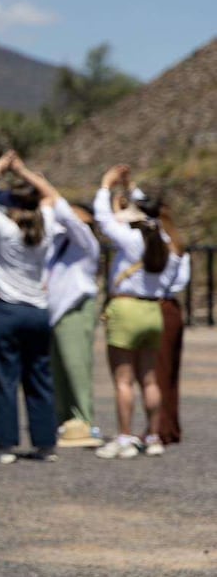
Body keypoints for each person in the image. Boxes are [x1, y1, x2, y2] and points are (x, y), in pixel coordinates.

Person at [0, 151, 58, 464]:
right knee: (40, 377)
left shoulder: (6, 230)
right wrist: (23, 171)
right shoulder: (46, 228)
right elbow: (51, 196)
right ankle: (45, 444)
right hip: (39, 310)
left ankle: (4, 445)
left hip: (7, 310)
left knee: (3, 378)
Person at [93, 165, 173, 459]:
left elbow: (103, 218)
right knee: (149, 379)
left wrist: (106, 185)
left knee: (123, 380)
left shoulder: (130, 240)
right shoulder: (163, 239)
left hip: (126, 308)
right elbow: (148, 209)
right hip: (153, 309)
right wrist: (132, 187)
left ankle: (125, 437)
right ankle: (153, 436)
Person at [44, 192, 103, 448]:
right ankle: (65, 420)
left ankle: (84, 420)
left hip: (75, 308)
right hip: (54, 312)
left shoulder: (86, 242)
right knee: (58, 371)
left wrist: (46, 191)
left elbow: (69, 219)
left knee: (76, 366)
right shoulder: (57, 242)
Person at [155, 203, 189, 445]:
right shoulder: (179, 244)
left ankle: (160, 428)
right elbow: (182, 281)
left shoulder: (158, 245)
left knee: (158, 371)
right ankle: (170, 426)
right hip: (173, 307)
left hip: (158, 305)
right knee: (170, 372)